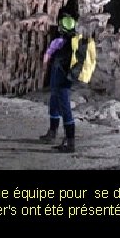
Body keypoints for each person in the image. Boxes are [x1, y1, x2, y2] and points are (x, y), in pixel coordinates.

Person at [39, 14, 77, 152]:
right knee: (54, 104)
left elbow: (46, 57)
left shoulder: (57, 43)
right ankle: (52, 132)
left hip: (58, 79)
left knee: (65, 109)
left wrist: (44, 70)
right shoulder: (74, 44)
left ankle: (70, 142)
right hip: (66, 79)